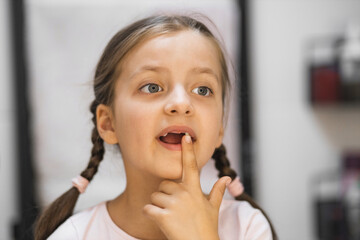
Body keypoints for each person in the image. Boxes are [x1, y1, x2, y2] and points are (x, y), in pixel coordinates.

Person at [34, 14, 277, 240]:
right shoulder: (74, 236)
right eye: (152, 87)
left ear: (220, 129)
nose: (182, 104)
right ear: (108, 124)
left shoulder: (246, 226)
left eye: (202, 90)